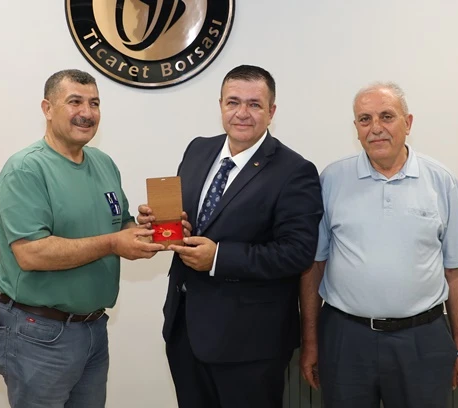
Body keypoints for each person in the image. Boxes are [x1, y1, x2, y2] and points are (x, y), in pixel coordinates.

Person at [138, 64, 323, 408]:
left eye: (254, 104)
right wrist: (165, 224)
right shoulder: (198, 150)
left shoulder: (295, 171)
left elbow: (297, 252)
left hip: (250, 344)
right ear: (220, 105)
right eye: (233, 102)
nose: (242, 113)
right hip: (185, 331)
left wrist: (218, 258)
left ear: (272, 112)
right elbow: (199, 221)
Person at [0, 68, 164, 408]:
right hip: (39, 333)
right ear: (47, 108)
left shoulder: (103, 163)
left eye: (94, 103)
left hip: (93, 329)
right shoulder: (25, 169)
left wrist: (147, 231)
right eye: (75, 102)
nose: (87, 112)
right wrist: (113, 244)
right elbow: (31, 253)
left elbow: (121, 225)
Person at [299, 82, 458, 407]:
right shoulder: (331, 180)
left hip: (422, 339)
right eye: (364, 119)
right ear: (356, 128)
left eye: (386, 116)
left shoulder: (440, 181)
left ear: (407, 123)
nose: (376, 128)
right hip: (346, 338)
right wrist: (310, 342)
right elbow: (314, 266)